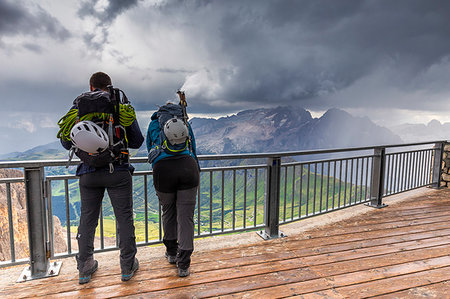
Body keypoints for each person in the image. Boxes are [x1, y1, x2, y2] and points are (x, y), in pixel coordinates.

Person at [59, 72, 144, 284]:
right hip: (118, 171)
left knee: (87, 220)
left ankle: (85, 268)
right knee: (124, 219)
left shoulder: (78, 108)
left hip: (88, 172)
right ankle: (127, 266)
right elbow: (136, 141)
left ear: (90, 86)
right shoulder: (118, 106)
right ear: (110, 86)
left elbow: (66, 142)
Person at [146, 97, 200, 277]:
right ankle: (183, 264)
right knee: (186, 217)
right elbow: (192, 145)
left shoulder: (154, 123)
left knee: (168, 211)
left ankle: (171, 252)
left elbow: (149, 150)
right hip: (187, 167)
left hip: (163, 171)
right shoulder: (184, 121)